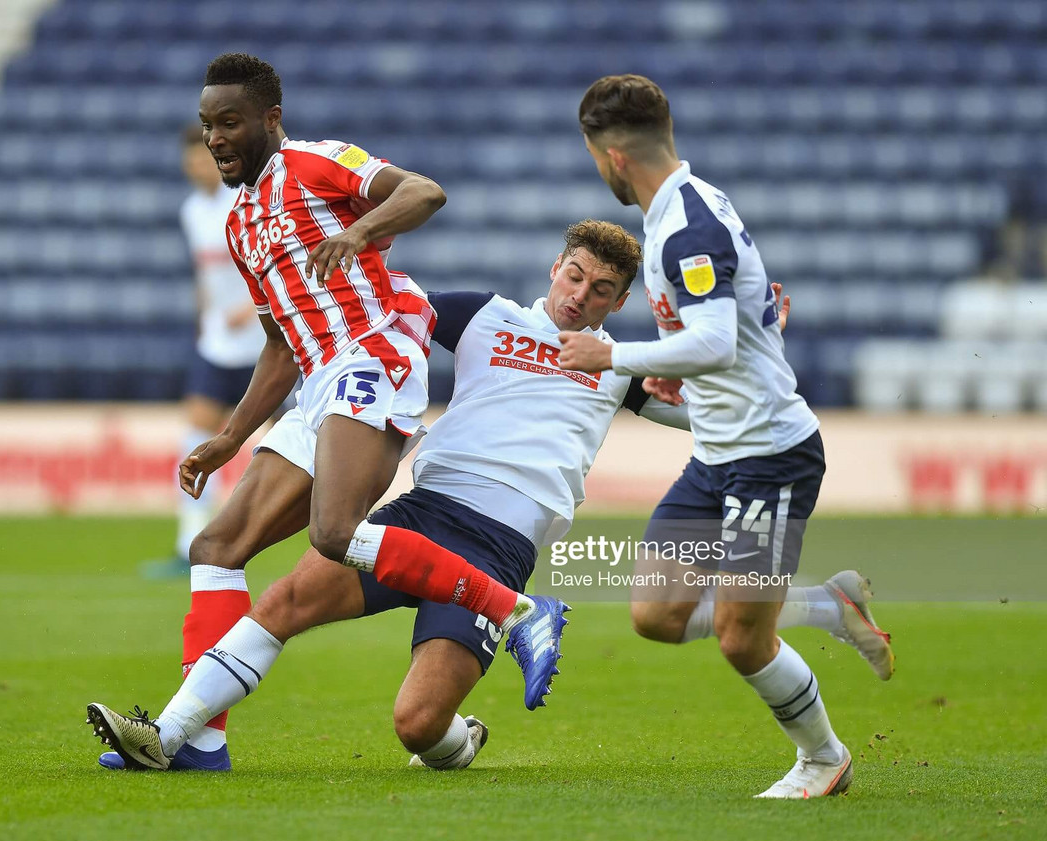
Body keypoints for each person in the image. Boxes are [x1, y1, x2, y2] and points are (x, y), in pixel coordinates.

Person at [95, 221, 888, 773]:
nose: (581, 296)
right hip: (421, 512)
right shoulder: (481, 315)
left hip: (499, 547)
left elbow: (711, 413)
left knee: (417, 726)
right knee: (283, 601)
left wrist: (752, 350)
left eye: (602, 289)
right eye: (575, 276)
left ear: (617, 302)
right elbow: (382, 324)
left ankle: (458, 741)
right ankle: (166, 734)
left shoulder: (617, 363)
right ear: (555, 267)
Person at [86, 53, 568, 771]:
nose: (216, 138)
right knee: (216, 548)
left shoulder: (316, 162)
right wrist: (228, 437)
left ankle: (517, 610)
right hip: (319, 380)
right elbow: (281, 344)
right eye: (206, 125)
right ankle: (198, 742)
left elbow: (425, 192)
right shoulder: (240, 224)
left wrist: (357, 231)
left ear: (270, 120)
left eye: (229, 122)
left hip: (376, 353)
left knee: (336, 532)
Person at [558, 74, 894, 798]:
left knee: (743, 636)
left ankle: (823, 758)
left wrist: (613, 353)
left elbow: (713, 339)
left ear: (612, 156)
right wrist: (682, 365)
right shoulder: (690, 207)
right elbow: (734, 324)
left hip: (769, 455)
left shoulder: (685, 227)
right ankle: (827, 605)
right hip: (717, 454)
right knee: (656, 612)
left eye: (592, 155)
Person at [143, 129, 267, 578]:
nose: (200, 166)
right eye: (193, 160)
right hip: (217, 345)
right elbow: (206, 276)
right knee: (195, 437)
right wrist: (205, 318)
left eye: (207, 159)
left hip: (266, 346)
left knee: (291, 443)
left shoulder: (247, 204)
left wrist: (251, 311)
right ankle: (187, 544)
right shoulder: (192, 212)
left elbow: (275, 268)